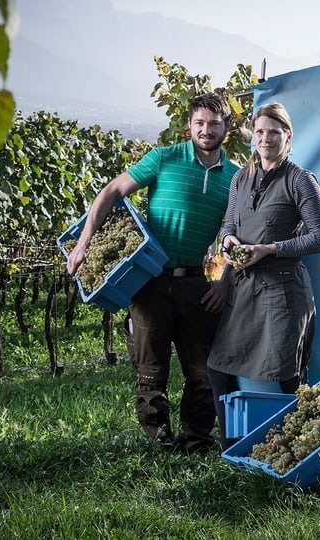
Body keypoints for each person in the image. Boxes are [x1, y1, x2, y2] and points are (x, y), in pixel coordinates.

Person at [67, 92, 239, 455]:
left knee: (204, 372)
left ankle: (196, 444)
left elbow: (240, 234)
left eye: (214, 123)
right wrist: (83, 244)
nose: (206, 130)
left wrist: (225, 282)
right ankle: (158, 447)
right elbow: (112, 190)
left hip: (196, 282)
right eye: (200, 123)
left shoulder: (236, 178)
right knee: (150, 372)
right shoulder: (164, 158)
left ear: (227, 127)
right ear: (189, 125)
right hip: (149, 281)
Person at [207, 102, 320, 450]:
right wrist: (230, 241)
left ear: (287, 136)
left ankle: (304, 449)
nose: (265, 139)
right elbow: (230, 225)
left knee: (288, 377)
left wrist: (268, 249)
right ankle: (230, 448)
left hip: (282, 293)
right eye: (260, 132)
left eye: (273, 133)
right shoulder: (240, 178)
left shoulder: (300, 180)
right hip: (243, 291)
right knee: (219, 368)